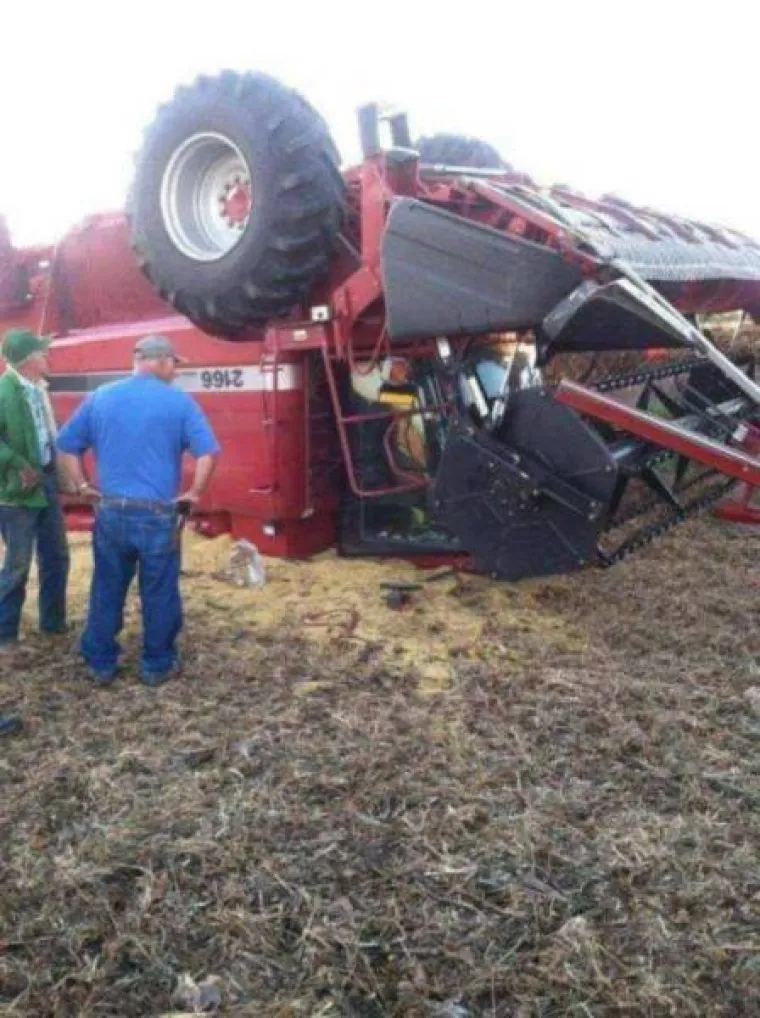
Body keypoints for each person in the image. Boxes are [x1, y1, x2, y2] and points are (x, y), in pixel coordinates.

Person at [56, 334, 220, 686]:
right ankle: (156, 665)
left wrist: (83, 488)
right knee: (159, 589)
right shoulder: (179, 403)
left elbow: (66, 446)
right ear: (160, 362)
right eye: (174, 364)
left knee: (107, 585)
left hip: (111, 510)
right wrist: (194, 492)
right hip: (157, 513)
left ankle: (101, 662)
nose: (175, 371)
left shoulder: (101, 397)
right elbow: (208, 453)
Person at [0, 328, 70, 651]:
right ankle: (5, 635)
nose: (47, 357)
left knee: (56, 554)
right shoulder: (3, 392)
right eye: (42, 353)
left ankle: (53, 624)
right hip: (16, 493)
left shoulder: (38, 389)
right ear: (28, 360)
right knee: (18, 564)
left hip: (46, 482)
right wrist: (17, 463)